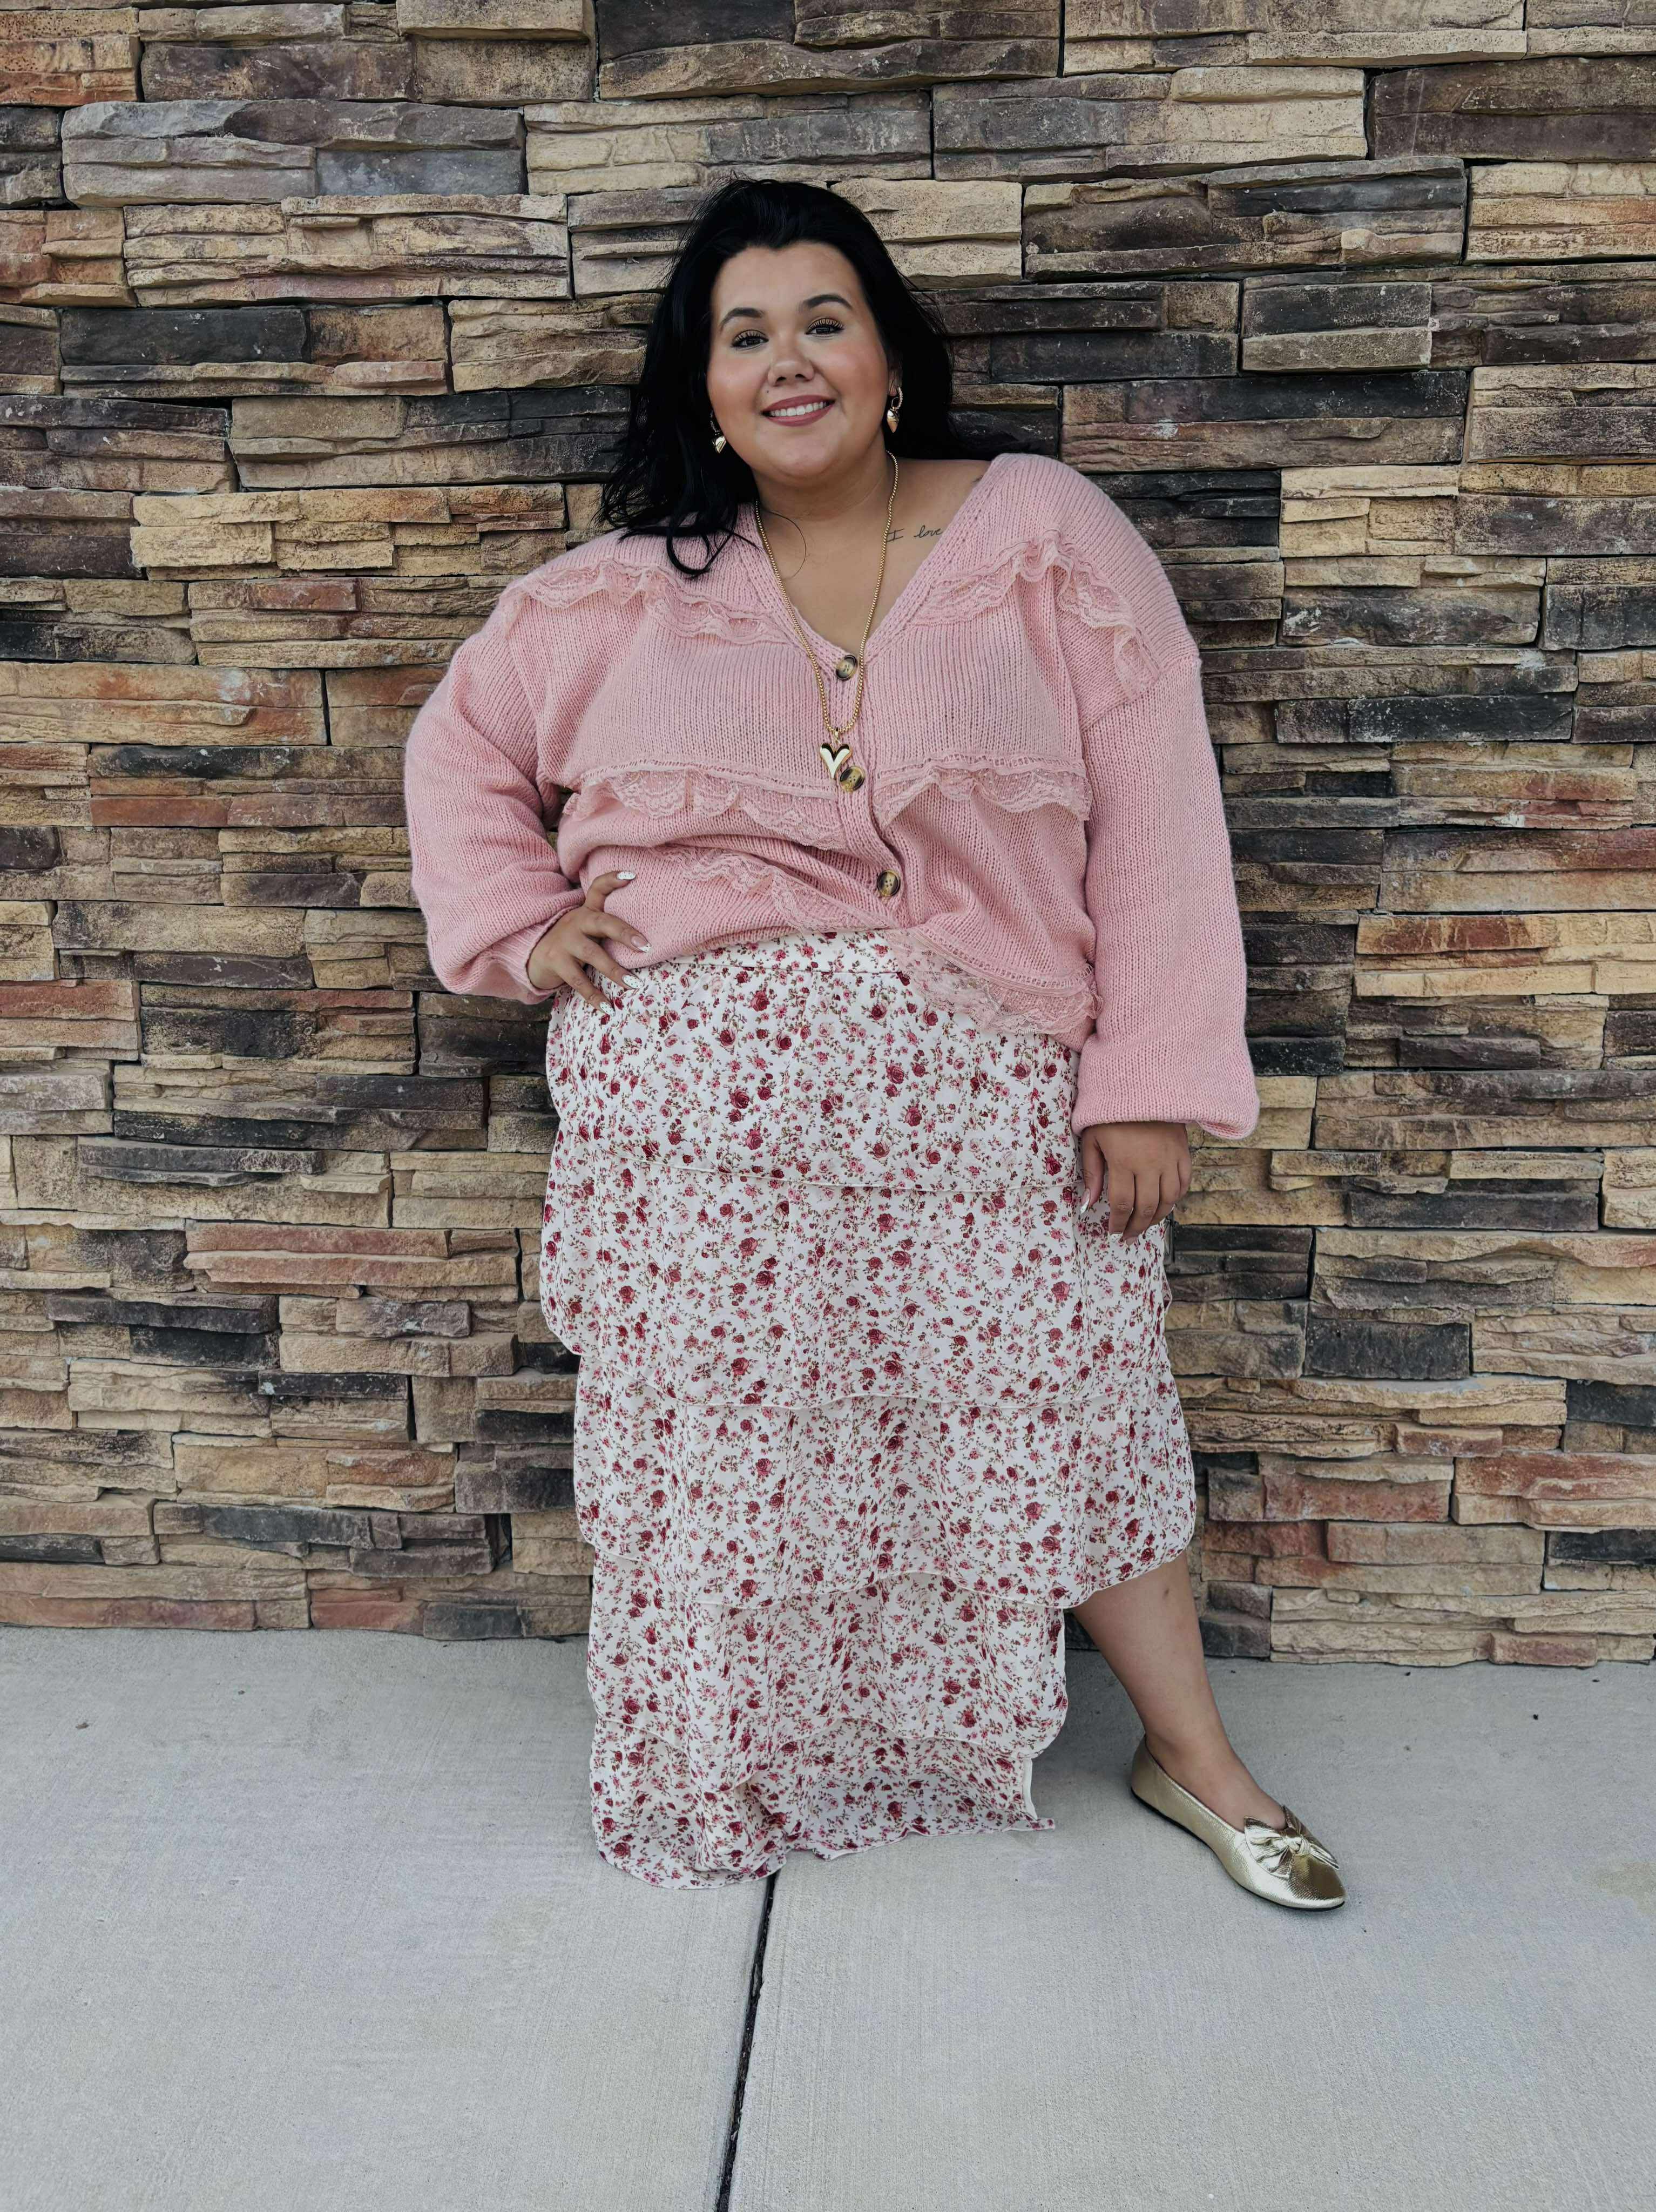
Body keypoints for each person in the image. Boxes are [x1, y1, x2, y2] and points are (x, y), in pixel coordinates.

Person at [402, 176, 1346, 1908]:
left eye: (823, 321)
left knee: (1069, 1402)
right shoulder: (620, 594)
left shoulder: (1042, 531)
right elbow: (459, 750)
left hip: (991, 1107)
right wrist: (524, 923)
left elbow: (1156, 813)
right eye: (743, 335)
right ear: (705, 388)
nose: (789, 361)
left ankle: (1194, 1753)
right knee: (746, 1465)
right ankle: (757, 1755)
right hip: (703, 1147)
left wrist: (1147, 1085)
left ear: (892, 356)